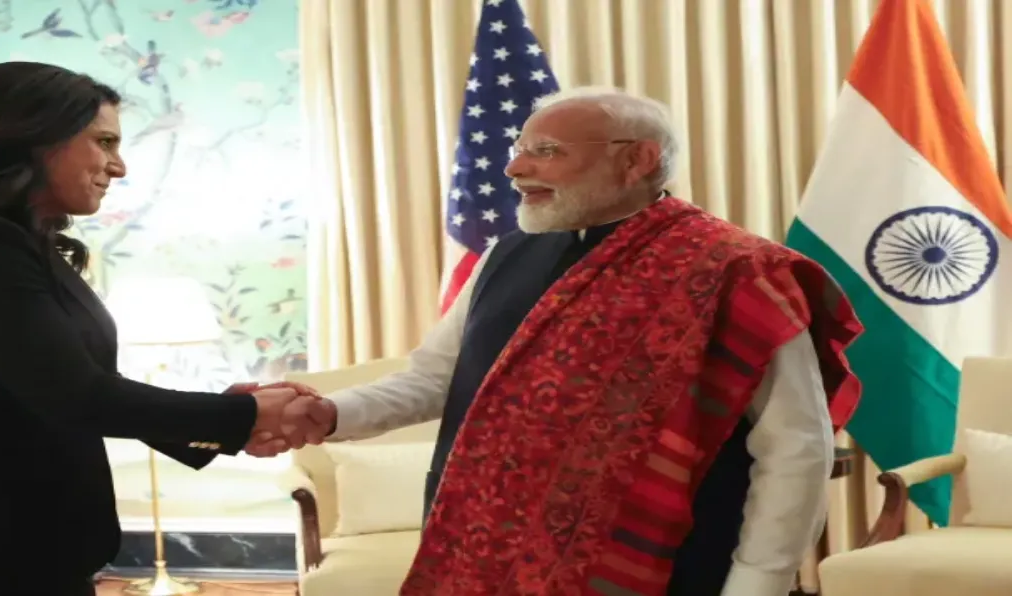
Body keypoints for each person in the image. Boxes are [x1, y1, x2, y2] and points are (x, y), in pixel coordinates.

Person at [259, 87, 864, 595]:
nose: (516, 168)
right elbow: (434, 380)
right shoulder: (507, 254)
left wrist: (758, 581)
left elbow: (796, 447)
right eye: (520, 149)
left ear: (638, 160)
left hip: (669, 566)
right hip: (487, 555)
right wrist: (333, 413)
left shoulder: (736, 270)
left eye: (546, 151)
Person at [0, 61, 330, 596]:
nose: (119, 167)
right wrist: (241, 417)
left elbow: (69, 387)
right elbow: (77, 396)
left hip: (22, 554)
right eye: (105, 142)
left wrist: (223, 417)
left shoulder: (23, 244)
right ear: (33, 137)